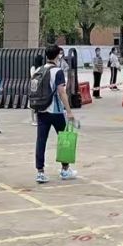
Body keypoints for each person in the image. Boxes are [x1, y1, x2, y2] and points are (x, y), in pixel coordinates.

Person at [34, 44, 77, 184]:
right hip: (56, 110)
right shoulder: (57, 71)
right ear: (58, 55)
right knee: (64, 139)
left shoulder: (39, 70)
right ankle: (65, 169)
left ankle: (40, 172)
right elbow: (62, 92)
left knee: (41, 140)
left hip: (41, 110)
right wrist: (69, 111)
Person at [30, 54, 44, 125]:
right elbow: (33, 76)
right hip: (34, 85)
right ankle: (33, 120)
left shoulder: (42, 67)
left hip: (38, 85)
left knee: (38, 103)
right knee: (33, 103)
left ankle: (37, 119)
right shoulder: (34, 67)